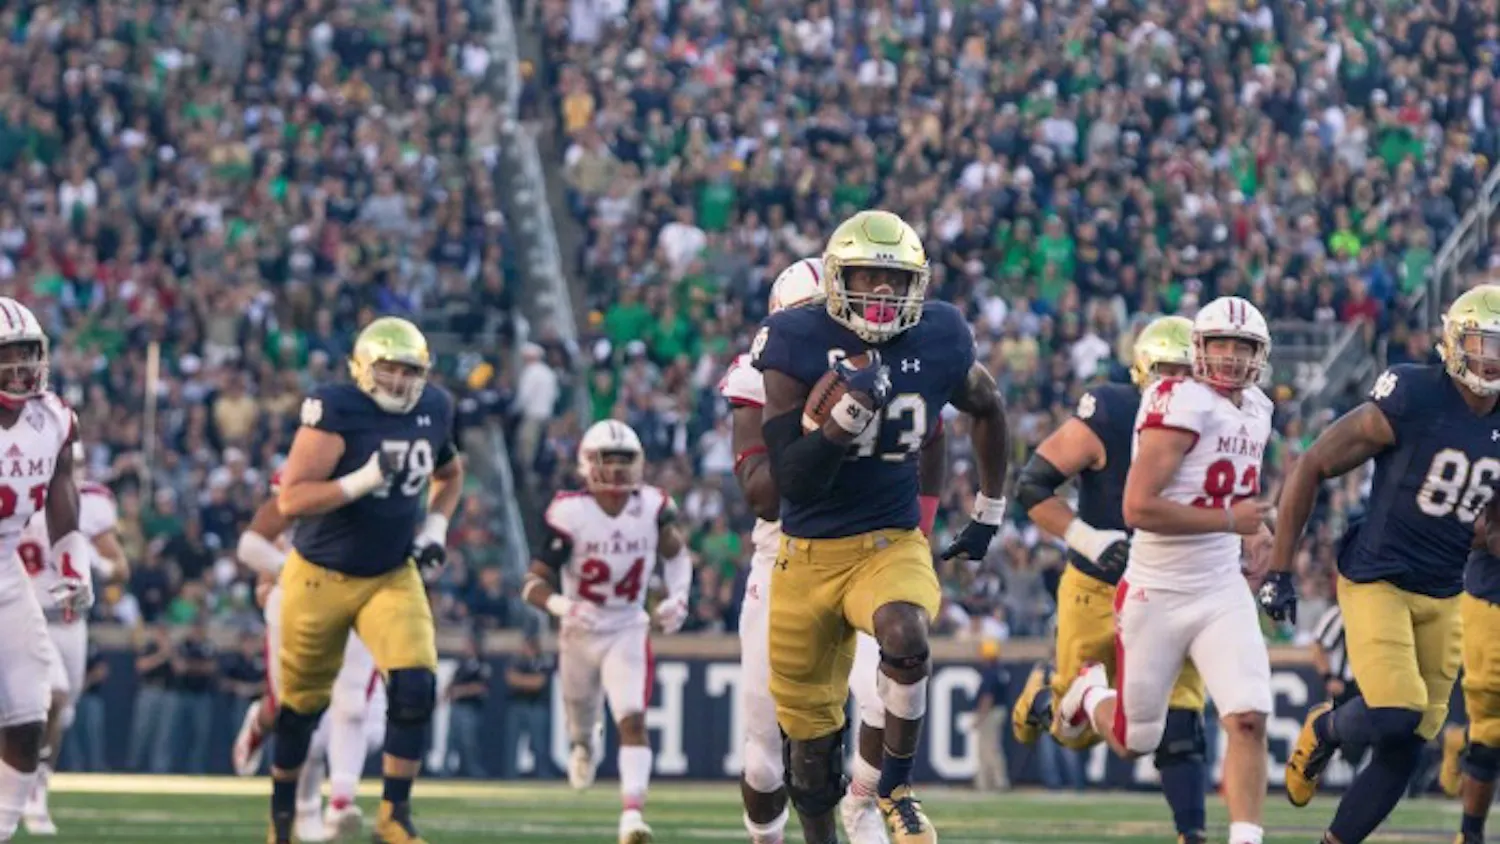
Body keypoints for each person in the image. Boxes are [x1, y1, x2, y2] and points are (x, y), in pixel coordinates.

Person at [752, 210, 1012, 844]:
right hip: (807, 551)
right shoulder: (793, 339)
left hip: (886, 540)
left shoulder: (942, 333)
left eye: (896, 281)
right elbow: (791, 480)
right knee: (809, 759)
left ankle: (895, 785)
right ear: (839, 277)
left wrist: (989, 507)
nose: (882, 293)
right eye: (868, 276)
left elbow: (986, 405)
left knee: (906, 630)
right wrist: (843, 417)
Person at [1260, 285, 1500, 844]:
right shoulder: (1415, 394)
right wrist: (1280, 568)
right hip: (1379, 578)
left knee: (1409, 744)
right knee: (1395, 712)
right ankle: (1325, 726)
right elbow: (1312, 464)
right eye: (1480, 343)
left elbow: (1490, 529)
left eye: (1499, 346)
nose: (1490, 357)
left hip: (1445, 590)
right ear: (1453, 342)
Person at [722, 255, 947, 844]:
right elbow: (765, 498)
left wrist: (920, 525)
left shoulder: (890, 361)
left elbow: (935, 435)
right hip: (787, 559)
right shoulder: (760, 375)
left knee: (887, 689)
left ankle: (867, 801)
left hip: (869, 546)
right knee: (769, 755)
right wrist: (822, 427)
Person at [1056, 296, 1275, 844]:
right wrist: (1231, 519)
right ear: (1197, 349)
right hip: (1157, 588)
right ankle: (1088, 692)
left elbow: (1232, 488)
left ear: (1260, 354)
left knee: (1248, 716)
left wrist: (1254, 530)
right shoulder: (1175, 400)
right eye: (1220, 343)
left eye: (1242, 346)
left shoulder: (1261, 408)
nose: (1230, 356)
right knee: (1137, 740)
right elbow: (1138, 508)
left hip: (1220, 587)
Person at [1011, 315, 1208, 842]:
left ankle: (1193, 834)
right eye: (1168, 370)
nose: (1179, 382)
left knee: (1181, 723)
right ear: (1143, 372)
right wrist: (1091, 539)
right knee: (1076, 734)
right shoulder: (1114, 411)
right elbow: (1032, 485)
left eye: (1189, 372)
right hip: (1099, 587)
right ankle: (1046, 700)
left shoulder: (1220, 420)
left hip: (1174, 584)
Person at [270, 316, 465, 844]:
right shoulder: (337, 409)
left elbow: (451, 474)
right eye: (390, 369)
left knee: (416, 683)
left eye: (410, 371)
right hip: (319, 575)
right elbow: (291, 499)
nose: (400, 382)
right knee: (301, 707)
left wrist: (437, 528)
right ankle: (282, 820)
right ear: (362, 367)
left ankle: (393, 818)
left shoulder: (435, 408)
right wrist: (360, 481)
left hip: (390, 570)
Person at [522, 419, 693, 844]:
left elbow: (677, 555)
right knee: (580, 720)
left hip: (627, 626)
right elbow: (532, 584)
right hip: (579, 630)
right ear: (587, 464)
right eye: (608, 459)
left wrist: (678, 597)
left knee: (631, 718)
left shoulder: (652, 507)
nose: (617, 469)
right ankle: (583, 746)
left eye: (625, 460)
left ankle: (632, 816)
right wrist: (564, 605)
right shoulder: (570, 513)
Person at [236, 467, 386, 842]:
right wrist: (291, 577)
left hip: (352, 601)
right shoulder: (297, 488)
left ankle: (339, 802)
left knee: (353, 710)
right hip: (297, 608)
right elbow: (255, 550)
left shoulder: (368, 486)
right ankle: (301, 807)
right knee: (294, 714)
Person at [0, 298, 92, 840]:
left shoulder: (53, 417)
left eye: (26, 355)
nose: (19, 369)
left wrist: (72, 565)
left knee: (32, 703)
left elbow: (61, 487)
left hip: (7, 567)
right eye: (6, 358)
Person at [15, 441, 125, 834]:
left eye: (75, 463)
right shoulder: (16, 495)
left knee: (62, 711)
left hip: (71, 624)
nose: (69, 471)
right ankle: (30, 793)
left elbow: (120, 569)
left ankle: (35, 782)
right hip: (25, 618)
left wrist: (97, 565)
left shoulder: (91, 503)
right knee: (53, 697)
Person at [500, 635, 555, 780]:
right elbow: (510, 678)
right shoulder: (516, 661)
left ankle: (542, 774)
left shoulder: (543, 662)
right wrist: (527, 681)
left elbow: (539, 683)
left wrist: (521, 681)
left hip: (535, 706)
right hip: (517, 705)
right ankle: (510, 774)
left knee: (539, 743)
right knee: (512, 743)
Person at [445, 634, 491, 778]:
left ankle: (473, 771)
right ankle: (445, 771)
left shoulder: (481, 665)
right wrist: (448, 692)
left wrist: (460, 691)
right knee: (451, 741)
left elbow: (481, 687)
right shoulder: (462, 665)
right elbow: (452, 682)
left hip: (469, 708)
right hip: (457, 707)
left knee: (469, 742)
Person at [971, 639, 1010, 793]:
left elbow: (987, 697)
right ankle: (992, 781)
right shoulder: (1000, 671)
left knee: (988, 749)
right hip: (998, 711)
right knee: (992, 747)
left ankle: (995, 782)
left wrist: (980, 717)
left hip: (991, 713)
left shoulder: (990, 672)